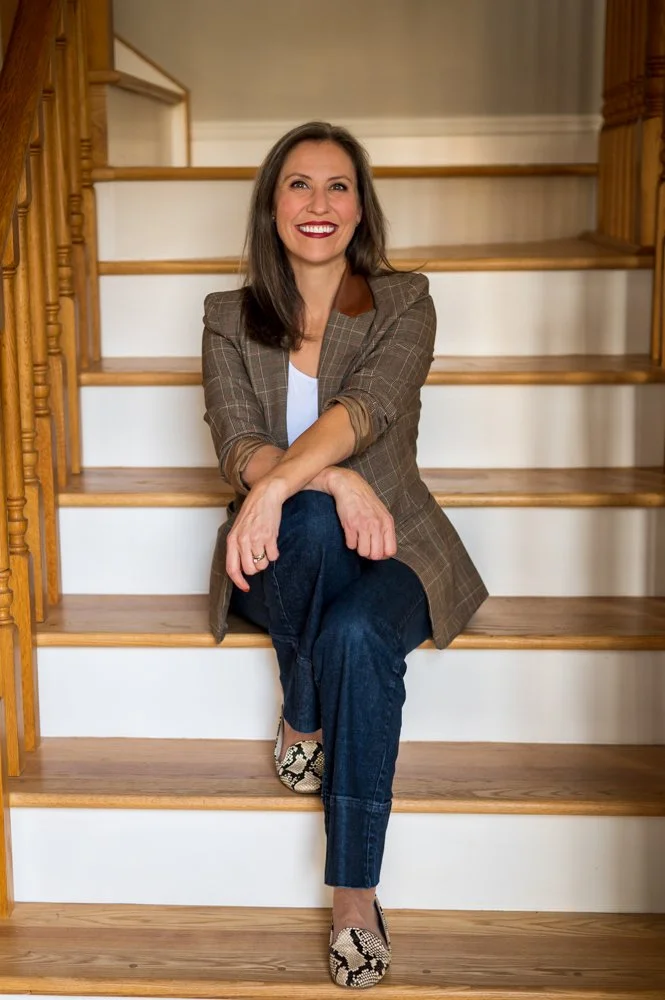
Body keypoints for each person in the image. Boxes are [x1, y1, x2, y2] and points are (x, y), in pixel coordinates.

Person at [202, 121, 487, 989]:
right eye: (298, 184)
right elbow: (236, 441)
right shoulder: (226, 317)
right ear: (271, 204)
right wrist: (318, 487)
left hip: (399, 542)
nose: (317, 204)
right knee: (317, 527)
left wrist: (292, 480)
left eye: (337, 186)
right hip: (281, 553)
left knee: (359, 636)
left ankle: (353, 892)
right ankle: (304, 696)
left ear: (360, 208)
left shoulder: (405, 302)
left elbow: (368, 410)